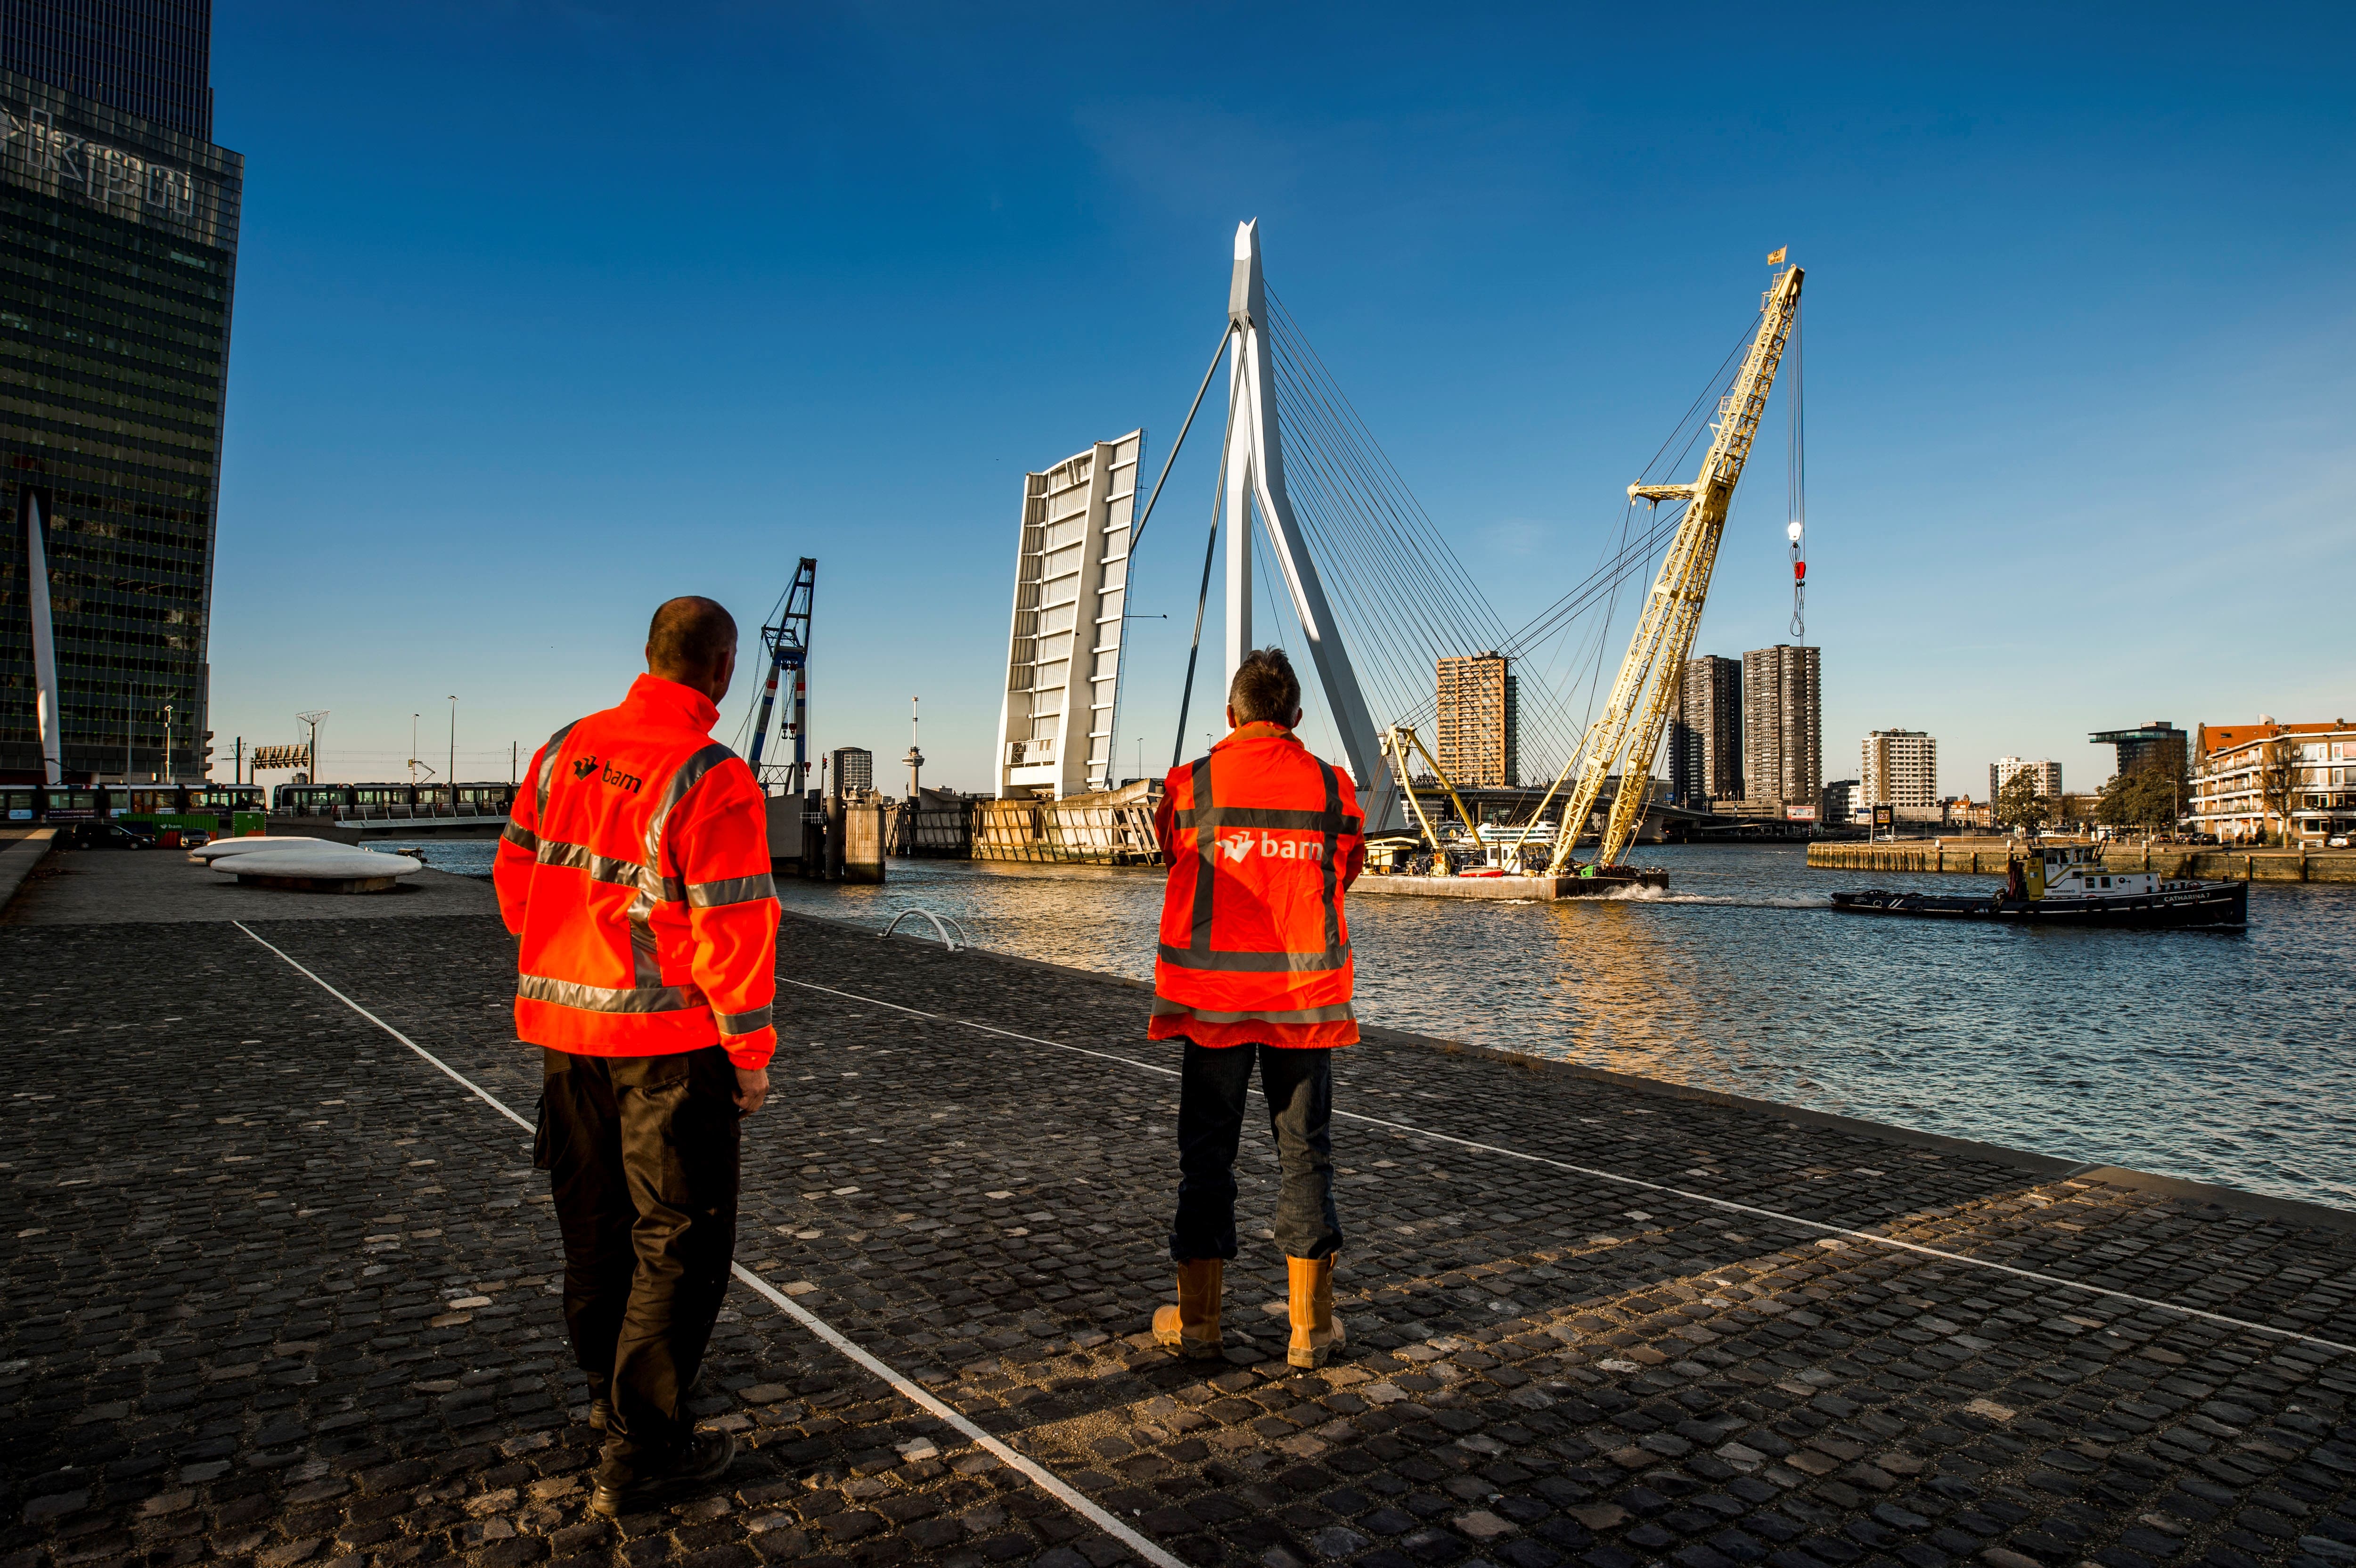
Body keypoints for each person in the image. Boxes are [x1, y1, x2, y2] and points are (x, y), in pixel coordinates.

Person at [494, 596, 780, 1517]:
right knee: (679, 1237)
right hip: (668, 1043)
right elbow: (734, 931)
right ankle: (645, 1445)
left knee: (594, 1222)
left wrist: (564, 956)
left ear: (649, 656)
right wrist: (749, 1053)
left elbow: (515, 876)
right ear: (724, 669)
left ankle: (602, 1393)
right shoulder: (712, 775)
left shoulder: (562, 748)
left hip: (565, 1038)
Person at [1145, 647, 1365, 1369]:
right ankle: (1310, 1329)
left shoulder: (1193, 784)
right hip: (1303, 1005)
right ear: (1296, 719)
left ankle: (1200, 1325)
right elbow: (1348, 869)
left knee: (1206, 1157)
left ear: (1232, 717)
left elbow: (1171, 848)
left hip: (1214, 1007)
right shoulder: (1334, 789)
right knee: (1306, 1157)